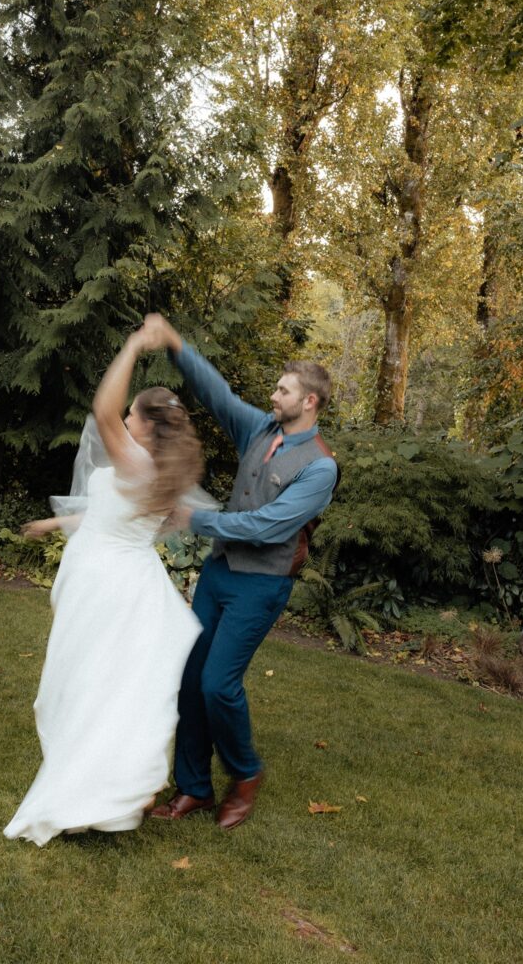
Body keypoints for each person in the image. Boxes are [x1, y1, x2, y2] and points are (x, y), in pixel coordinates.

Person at [4, 326, 206, 846]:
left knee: (84, 684)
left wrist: (135, 345)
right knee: (112, 686)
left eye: (133, 415)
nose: (126, 422)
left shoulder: (136, 460)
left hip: (103, 584)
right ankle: (118, 787)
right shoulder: (163, 474)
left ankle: (86, 792)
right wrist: (53, 524)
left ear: (144, 422)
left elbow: (100, 409)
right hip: (133, 584)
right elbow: (112, 517)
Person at [143, 313, 339, 830]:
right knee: (189, 679)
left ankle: (245, 774)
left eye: (283, 390)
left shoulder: (320, 467)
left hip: (262, 584)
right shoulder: (260, 429)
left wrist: (198, 518)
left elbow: (270, 525)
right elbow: (218, 394)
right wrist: (175, 343)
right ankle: (193, 789)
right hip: (220, 573)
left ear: (309, 402)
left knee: (217, 685)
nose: (273, 396)